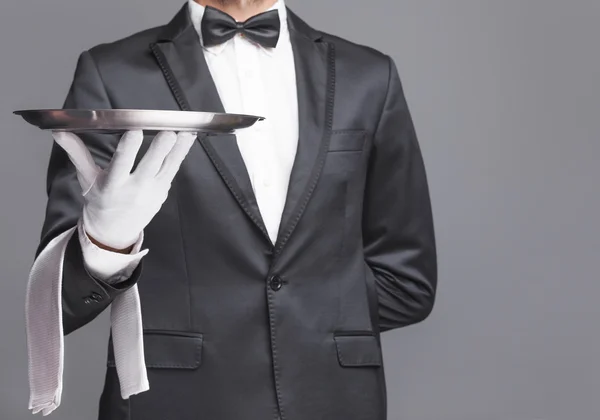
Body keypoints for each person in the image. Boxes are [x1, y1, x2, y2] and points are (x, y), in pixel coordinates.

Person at [27, 0, 437, 419]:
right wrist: (104, 244)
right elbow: (59, 299)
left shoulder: (369, 75)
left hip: (335, 401)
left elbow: (408, 283)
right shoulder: (110, 73)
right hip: (173, 403)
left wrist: (310, 325)